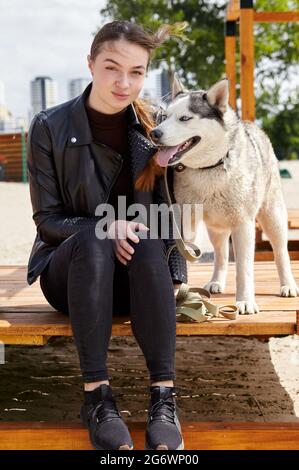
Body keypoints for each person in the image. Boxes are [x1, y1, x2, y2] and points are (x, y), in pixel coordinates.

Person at [26, 20, 187, 451]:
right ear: (91, 64)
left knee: (149, 236)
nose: (124, 82)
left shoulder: (153, 128)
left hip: (134, 277)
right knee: (98, 237)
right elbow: (47, 220)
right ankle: (97, 397)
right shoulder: (48, 126)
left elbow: (169, 208)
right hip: (70, 274)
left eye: (136, 72)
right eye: (113, 68)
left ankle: (163, 398)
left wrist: (173, 277)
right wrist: (104, 226)